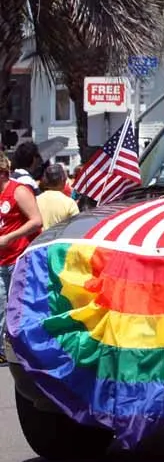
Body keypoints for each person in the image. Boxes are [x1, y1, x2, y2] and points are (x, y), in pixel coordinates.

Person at [0, 152, 43, 363]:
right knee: (1, 307)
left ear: (2, 172)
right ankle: (3, 350)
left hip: (17, 259)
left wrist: (10, 237)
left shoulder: (18, 191)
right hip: (0, 261)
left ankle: (18, 350)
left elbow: (36, 221)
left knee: (18, 307)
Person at [36, 164, 80, 230]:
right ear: (63, 181)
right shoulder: (69, 203)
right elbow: (76, 228)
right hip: (61, 236)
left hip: (39, 236)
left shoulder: (35, 201)